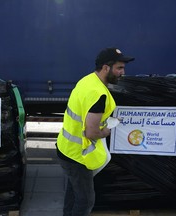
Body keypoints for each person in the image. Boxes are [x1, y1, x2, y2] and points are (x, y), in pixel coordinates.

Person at [56, 47, 134, 216]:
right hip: (77, 156)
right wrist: (106, 131)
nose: (123, 72)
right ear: (106, 68)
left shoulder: (87, 80)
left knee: (74, 192)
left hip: (66, 148)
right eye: (119, 68)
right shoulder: (99, 94)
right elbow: (91, 133)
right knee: (85, 200)